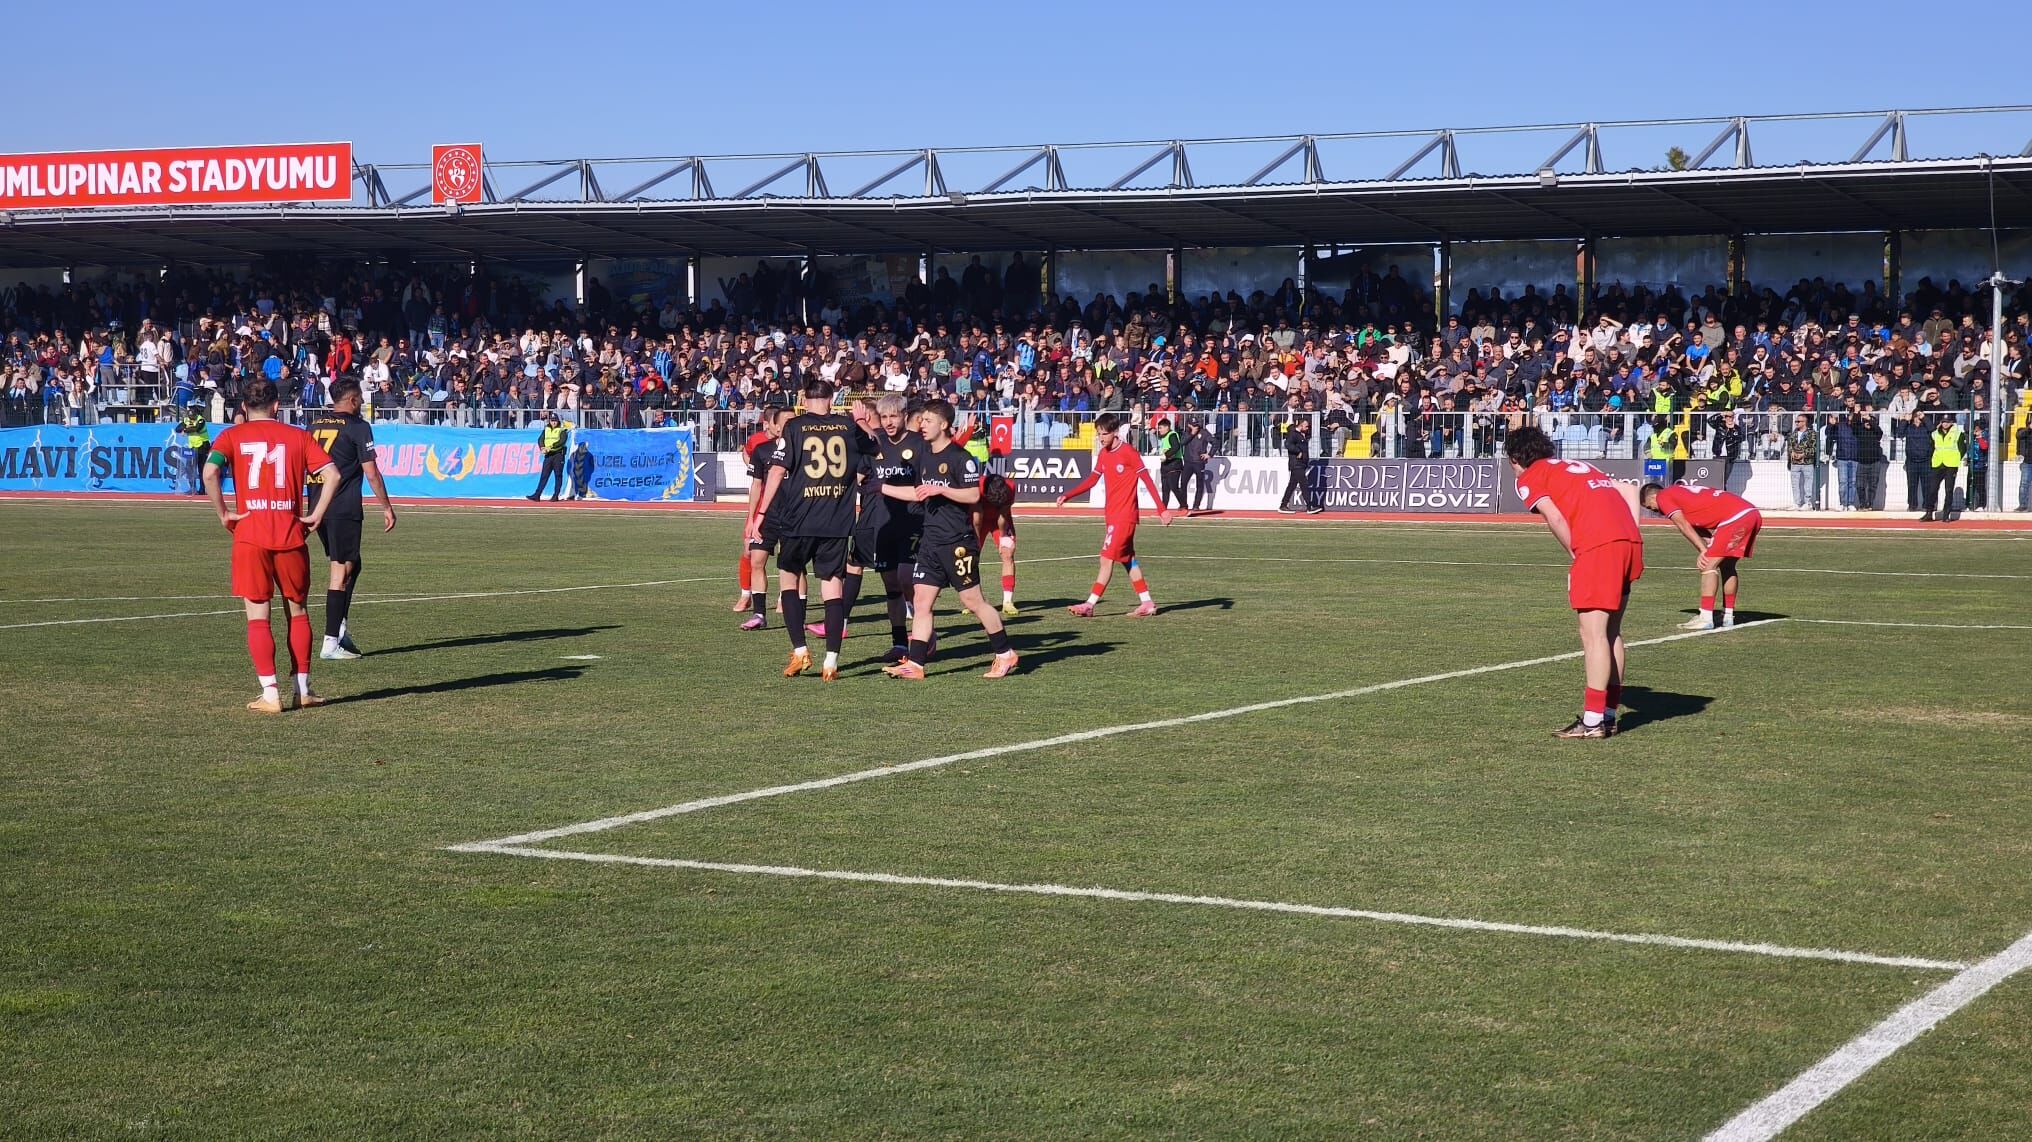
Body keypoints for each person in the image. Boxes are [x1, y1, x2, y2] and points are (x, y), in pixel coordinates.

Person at [203, 378, 341, 714]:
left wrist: (224, 513)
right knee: (298, 611)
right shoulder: (297, 436)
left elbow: (209, 473)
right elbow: (333, 474)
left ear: (244, 408)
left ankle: (270, 693)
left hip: (250, 534)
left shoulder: (231, 436)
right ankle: (302, 690)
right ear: (277, 406)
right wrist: (316, 515)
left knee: (257, 615)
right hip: (291, 534)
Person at [1507, 426, 1644, 739]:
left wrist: (1576, 551)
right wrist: (1632, 533)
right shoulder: (1580, 466)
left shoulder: (1530, 476)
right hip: (1628, 542)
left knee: (1593, 635)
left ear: (1516, 458)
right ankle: (1607, 716)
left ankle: (1593, 721)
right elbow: (1628, 490)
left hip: (1599, 547)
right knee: (1611, 632)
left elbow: (1554, 517)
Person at [883, 400, 1019, 680]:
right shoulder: (924, 456)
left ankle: (1006, 654)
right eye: (922, 421)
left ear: (944, 425)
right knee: (922, 600)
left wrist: (941, 489)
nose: (922, 425)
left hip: (958, 542)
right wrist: (881, 488)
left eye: (928, 421)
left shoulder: (961, 457)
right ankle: (917, 664)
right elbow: (920, 492)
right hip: (931, 542)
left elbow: (972, 496)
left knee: (973, 601)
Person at [750, 381, 862, 681]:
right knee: (832, 587)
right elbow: (869, 459)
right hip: (837, 521)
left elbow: (776, 471)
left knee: (788, 579)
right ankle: (831, 661)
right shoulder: (847, 426)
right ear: (832, 398)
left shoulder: (795, 426)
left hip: (800, 518)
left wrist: (760, 513)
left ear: (804, 399)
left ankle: (800, 652)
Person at [306, 378, 397, 660]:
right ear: (353, 400)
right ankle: (330, 642)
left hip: (317, 504)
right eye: (360, 398)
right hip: (343, 507)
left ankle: (340, 628)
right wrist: (387, 507)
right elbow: (371, 472)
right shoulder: (358, 427)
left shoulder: (315, 425)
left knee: (352, 564)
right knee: (340, 570)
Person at [1055, 411, 1172, 617]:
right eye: (1098, 434)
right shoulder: (1103, 454)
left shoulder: (1128, 453)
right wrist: (1069, 495)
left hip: (1124, 516)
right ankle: (1147, 603)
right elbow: (1092, 480)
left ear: (1115, 432)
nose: (1101, 438)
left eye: (1104, 434)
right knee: (1128, 560)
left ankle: (1089, 604)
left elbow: (1147, 480)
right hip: (1112, 515)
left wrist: (1161, 509)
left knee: (1106, 559)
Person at [1639, 481, 1761, 630]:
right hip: (1750, 513)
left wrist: (1704, 552)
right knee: (1727, 565)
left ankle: (1706, 617)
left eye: (1649, 506)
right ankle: (1727, 616)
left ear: (1652, 497)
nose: (1654, 510)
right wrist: (1706, 548)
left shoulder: (1663, 497)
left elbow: (1683, 526)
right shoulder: (1681, 496)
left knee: (1708, 566)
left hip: (1737, 516)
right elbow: (1697, 529)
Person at [859, 394, 927, 659]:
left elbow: (925, 487)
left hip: (913, 522)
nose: (888, 422)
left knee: (907, 578)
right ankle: (900, 642)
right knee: (890, 583)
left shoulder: (919, 445)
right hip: (883, 524)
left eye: (893, 416)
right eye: (884, 417)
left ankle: (924, 632)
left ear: (904, 416)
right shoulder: (875, 444)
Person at [739, 407, 789, 631]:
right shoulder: (761, 450)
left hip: (793, 517)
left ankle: (789, 605)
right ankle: (759, 614)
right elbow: (756, 485)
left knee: (791, 566)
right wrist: (751, 519)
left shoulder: (803, 452)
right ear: (774, 426)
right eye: (785, 423)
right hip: (766, 517)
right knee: (757, 561)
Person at [974, 466, 1019, 617]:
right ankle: (973, 600)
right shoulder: (977, 486)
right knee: (971, 557)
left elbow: (1003, 514)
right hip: (977, 518)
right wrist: (973, 538)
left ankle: (1007, 601)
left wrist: (1004, 536)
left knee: (1007, 554)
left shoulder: (1010, 488)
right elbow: (976, 517)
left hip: (1001, 520)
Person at [1923, 415, 1964, 522]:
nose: (1945, 423)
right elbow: (1931, 447)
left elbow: (1962, 448)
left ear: (1951, 422)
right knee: (1932, 489)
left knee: (1949, 490)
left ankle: (1946, 515)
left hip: (1951, 464)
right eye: (1943, 421)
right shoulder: (1935, 434)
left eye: (1948, 421)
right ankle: (1929, 513)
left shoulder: (1958, 433)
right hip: (1937, 464)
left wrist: (1957, 458)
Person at [1280, 417, 1319, 513]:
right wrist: (1298, 451)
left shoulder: (1302, 435)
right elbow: (1288, 444)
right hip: (1296, 464)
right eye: (1306, 426)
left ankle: (1283, 505)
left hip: (1300, 464)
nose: (1307, 428)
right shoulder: (1293, 434)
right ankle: (1309, 506)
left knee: (1292, 485)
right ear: (1300, 425)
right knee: (1304, 484)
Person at [527, 411, 569, 501]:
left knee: (558, 475)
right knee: (544, 475)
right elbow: (540, 439)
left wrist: (551, 447)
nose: (553, 422)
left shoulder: (562, 430)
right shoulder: (546, 429)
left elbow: (562, 441)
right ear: (549, 421)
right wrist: (542, 447)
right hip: (548, 455)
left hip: (558, 454)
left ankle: (556, 495)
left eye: (555, 421)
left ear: (558, 421)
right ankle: (537, 494)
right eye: (552, 420)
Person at [1784, 413, 1818, 510]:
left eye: (1799, 421)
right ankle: (1796, 502)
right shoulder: (1793, 433)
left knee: (1808, 483)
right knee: (1795, 484)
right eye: (1796, 421)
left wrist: (1803, 454)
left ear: (1805, 422)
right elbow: (1789, 447)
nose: (1796, 423)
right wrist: (1792, 454)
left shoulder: (1812, 433)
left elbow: (1814, 448)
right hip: (1795, 463)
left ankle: (1808, 503)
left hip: (1807, 462)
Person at [1155, 417, 1189, 512]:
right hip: (1165, 465)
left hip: (1174, 464)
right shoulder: (1163, 437)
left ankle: (1184, 505)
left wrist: (1166, 455)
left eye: (1161, 428)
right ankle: (1163, 508)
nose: (1159, 430)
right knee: (1165, 488)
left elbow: (1176, 447)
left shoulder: (1172, 435)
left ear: (1167, 427)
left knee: (1173, 486)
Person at [177, 404, 210, 496]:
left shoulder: (201, 420)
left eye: (193, 417)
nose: (191, 419)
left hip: (202, 446)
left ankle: (202, 489)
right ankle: (192, 488)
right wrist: (184, 428)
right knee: (189, 468)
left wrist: (186, 429)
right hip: (192, 447)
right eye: (190, 417)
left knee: (201, 468)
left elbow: (197, 429)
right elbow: (178, 428)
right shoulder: (187, 420)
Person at [1183, 419, 1215, 514]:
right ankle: (1184, 505)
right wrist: (1192, 434)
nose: (1195, 427)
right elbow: (1182, 442)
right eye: (1193, 425)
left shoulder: (1204, 432)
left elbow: (1215, 442)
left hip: (1199, 462)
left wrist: (1210, 454)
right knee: (1183, 483)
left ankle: (1196, 505)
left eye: (1196, 425)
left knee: (1199, 485)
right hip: (1188, 462)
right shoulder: (1186, 432)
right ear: (1189, 425)